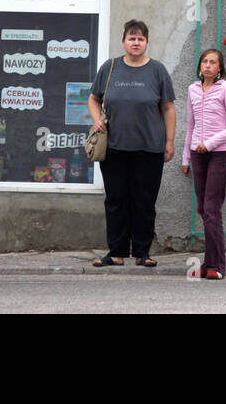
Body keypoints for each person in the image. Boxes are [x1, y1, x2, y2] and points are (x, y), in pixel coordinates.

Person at [88, 19, 175, 267]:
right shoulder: (110, 67)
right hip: (114, 147)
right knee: (116, 200)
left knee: (144, 201)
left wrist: (169, 141)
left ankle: (142, 253)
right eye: (131, 38)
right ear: (124, 41)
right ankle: (115, 253)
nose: (136, 43)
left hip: (149, 148)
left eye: (140, 39)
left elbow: (168, 108)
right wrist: (97, 121)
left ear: (146, 42)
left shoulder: (157, 70)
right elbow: (93, 99)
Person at [181, 48, 226, 280]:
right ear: (200, 66)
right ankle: (208, 263)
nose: (207, 65)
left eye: (213, 62)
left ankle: (217, 265)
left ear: (219, 68)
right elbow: (190, 125)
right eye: (204, 61)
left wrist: (209, 143)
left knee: (211, 209)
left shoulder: (225, 88)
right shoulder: (192, 89)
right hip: (197, 155)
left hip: (218, 154)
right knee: (203, 209)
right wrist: (185, 158)